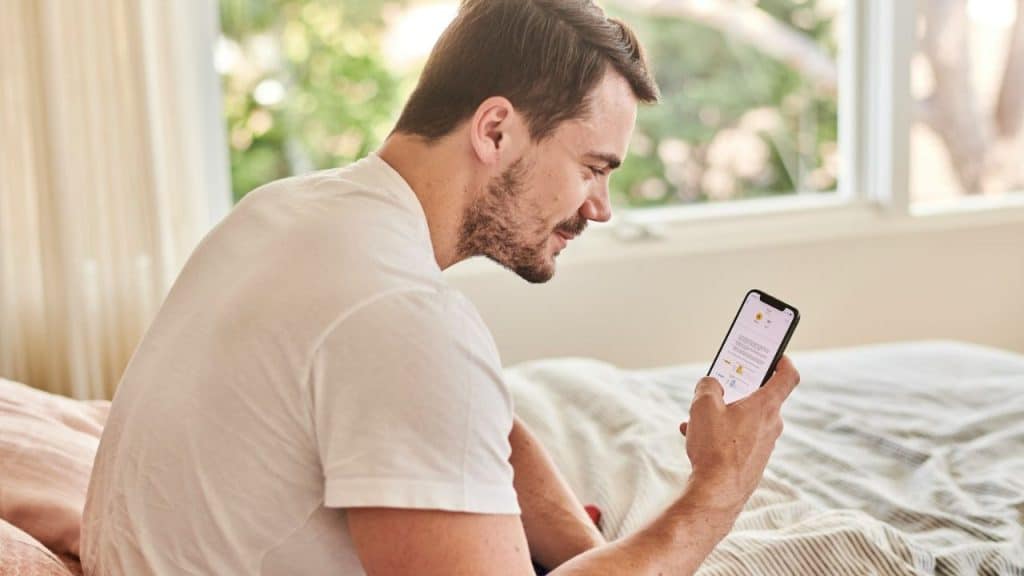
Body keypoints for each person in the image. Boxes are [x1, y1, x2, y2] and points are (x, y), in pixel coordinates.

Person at [81, 0, 800, 574]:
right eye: (592, 167)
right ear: (495, 130)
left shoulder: (282, 210)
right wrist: (718, 489)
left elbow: (481, 427)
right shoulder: (402, 319)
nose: (601, 206)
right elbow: (424, 371)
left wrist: (592, 559)